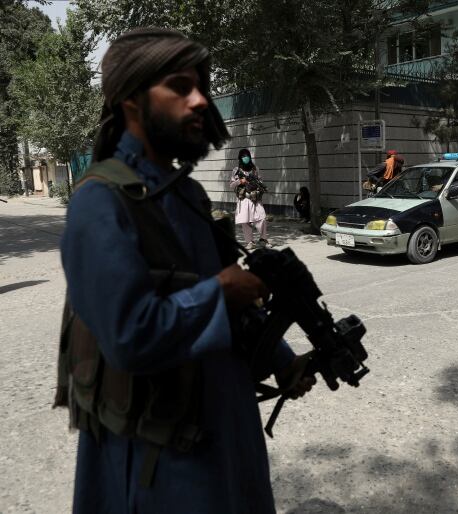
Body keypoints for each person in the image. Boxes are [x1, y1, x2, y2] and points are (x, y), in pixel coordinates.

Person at [57, 27, 314, 513]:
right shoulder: (99, 202)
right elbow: (129, 335)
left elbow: (233, 303)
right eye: (179, 86)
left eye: (202, 87)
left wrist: (281, 359)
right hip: (163, 466)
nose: (200, 101)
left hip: (228, 436)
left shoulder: (187, 194)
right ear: (132, 100)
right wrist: (219, 290)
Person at [230, 148, 270, 248]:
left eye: (247, 156)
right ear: (240, 158)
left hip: (255, 197)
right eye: (243, 156)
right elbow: (231, 185)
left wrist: (259, 186)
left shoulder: (255, 169)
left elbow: (260, 181)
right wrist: (240, 181)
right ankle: (250, 242)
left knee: (262, 218)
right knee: (245, 220)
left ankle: (263, 240)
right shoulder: (236, 170)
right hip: (244, 198)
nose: (245, 158)